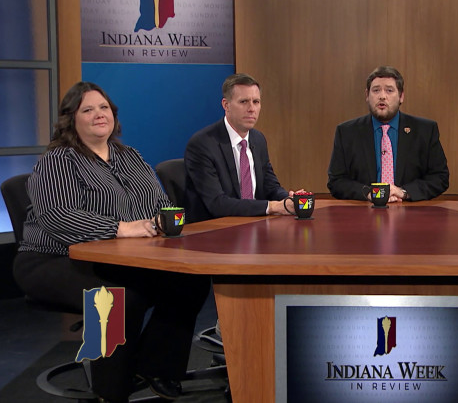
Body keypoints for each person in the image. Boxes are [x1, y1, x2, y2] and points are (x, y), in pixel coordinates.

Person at [13, 82, 210, 403]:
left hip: (117, 259)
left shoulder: (129, 156)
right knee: (116, 300)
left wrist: (161, 220)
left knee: (189, 280)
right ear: (70, 120)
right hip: (50, 260)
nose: (98, 115)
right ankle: (110, 391)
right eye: (87, 110)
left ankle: (156, 367)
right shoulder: (58, 160)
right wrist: (120, 228)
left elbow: (158, 201)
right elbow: (56, 216)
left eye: (103, 108)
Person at [184, 73, 305, 222]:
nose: (251, 109)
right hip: (215, 231)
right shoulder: (203, 144)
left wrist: (288, 199)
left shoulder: (258, 139)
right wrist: (272, 206)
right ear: (226, 105)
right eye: (244, 102)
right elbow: (217, 204)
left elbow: (270, 186)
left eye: (256, 102)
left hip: (255, 226)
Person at [327, 65, 449, 202]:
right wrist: (369, 194)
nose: (382, 96)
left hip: (412, 213)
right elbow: (336, 181)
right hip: (362, 213)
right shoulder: (347, 132)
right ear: (367, 95)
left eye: (389, 90)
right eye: (376, 90)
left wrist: (403, 192)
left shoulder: (425, 130)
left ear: (401, 96)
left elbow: (440, 177)